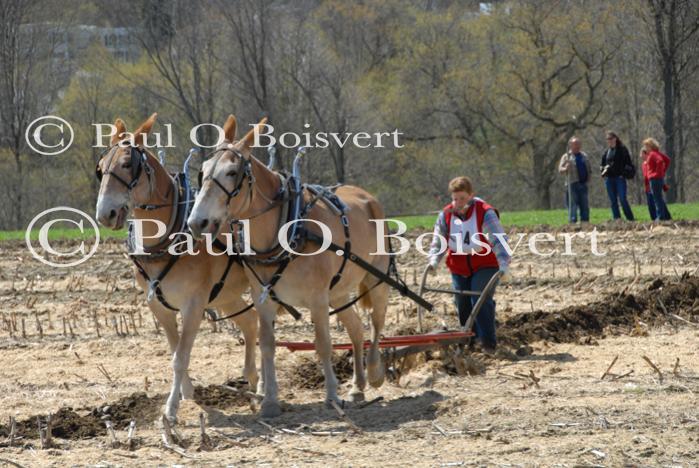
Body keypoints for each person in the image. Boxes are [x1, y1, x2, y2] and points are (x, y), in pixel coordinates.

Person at [426, 176, 511, 354]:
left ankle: (488, 344)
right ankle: (469, 342)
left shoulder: (485, 212)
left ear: (471, 195)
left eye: (462, 198)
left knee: (479, 299)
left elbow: (498, 239)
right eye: (455, 199)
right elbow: (439, 241)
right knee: (462, 303)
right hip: (458, 266)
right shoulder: (446, 214)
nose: (458, 203)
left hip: (485, 264)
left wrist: (504, 264)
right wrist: (433, 261)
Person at [600, 131, 635, 221]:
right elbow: (602, 164)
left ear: (615, 138)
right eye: (608, 139)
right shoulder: (606, 152)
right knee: (613, 200)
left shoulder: (622, 149)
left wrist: (623, 173)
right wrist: (603, 170)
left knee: (622, 199)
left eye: (611, 139)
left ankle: (630, 218)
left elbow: (628, 163)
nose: (609, 141)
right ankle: (617, 219)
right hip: (609, 178)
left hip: (619, 178)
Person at [558, 137, 591, 223]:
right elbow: (560, 169)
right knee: (572, 204)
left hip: (583, 184)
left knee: (584, 204)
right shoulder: (566, 156)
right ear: (571, 146)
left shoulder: (584, 156)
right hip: (572, 184)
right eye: (575, 144)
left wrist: (588, 177)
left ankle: (585, 221)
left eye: (578, 144)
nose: (577, 146)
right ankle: (573, 222)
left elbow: (588, 168)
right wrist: (566, 168)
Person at [641, 138, 672, 221]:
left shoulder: (652, 154)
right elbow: (667, 160)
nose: (645, 148)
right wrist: (662, 172)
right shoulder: (657, 153)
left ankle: (660, 216)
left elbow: (660, 161)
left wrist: (657, 173)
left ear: (650, 146)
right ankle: (665, 216)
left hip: (654, 179)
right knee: (659, 198)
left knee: (657, 198)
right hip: (658, 178)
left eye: (646, 146)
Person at [640, 148, 657, 220]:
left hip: (652, 186)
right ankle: (653, 219)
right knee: (650, 205)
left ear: (645, 154)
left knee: (654, 203)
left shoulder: (651, 162)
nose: (640, 156)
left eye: (641, 154)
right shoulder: (643, 164)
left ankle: (658, 218)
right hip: (647, 187)